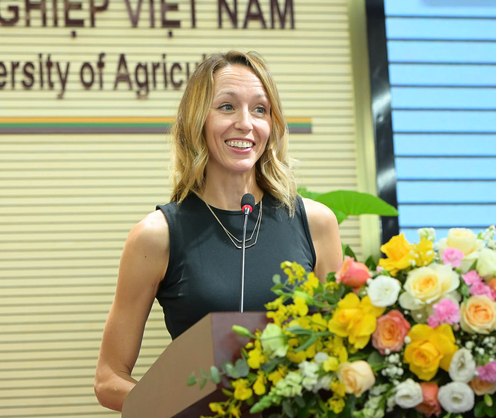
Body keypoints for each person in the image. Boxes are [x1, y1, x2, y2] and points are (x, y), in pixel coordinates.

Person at [94, 51, 343, 411]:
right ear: (197, 121)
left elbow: (341, 348)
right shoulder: (157, 235)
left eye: (260, 109)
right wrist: (183, 407)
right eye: (226, 107)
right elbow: (108, 379)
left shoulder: (317, 222)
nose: (245, 123)